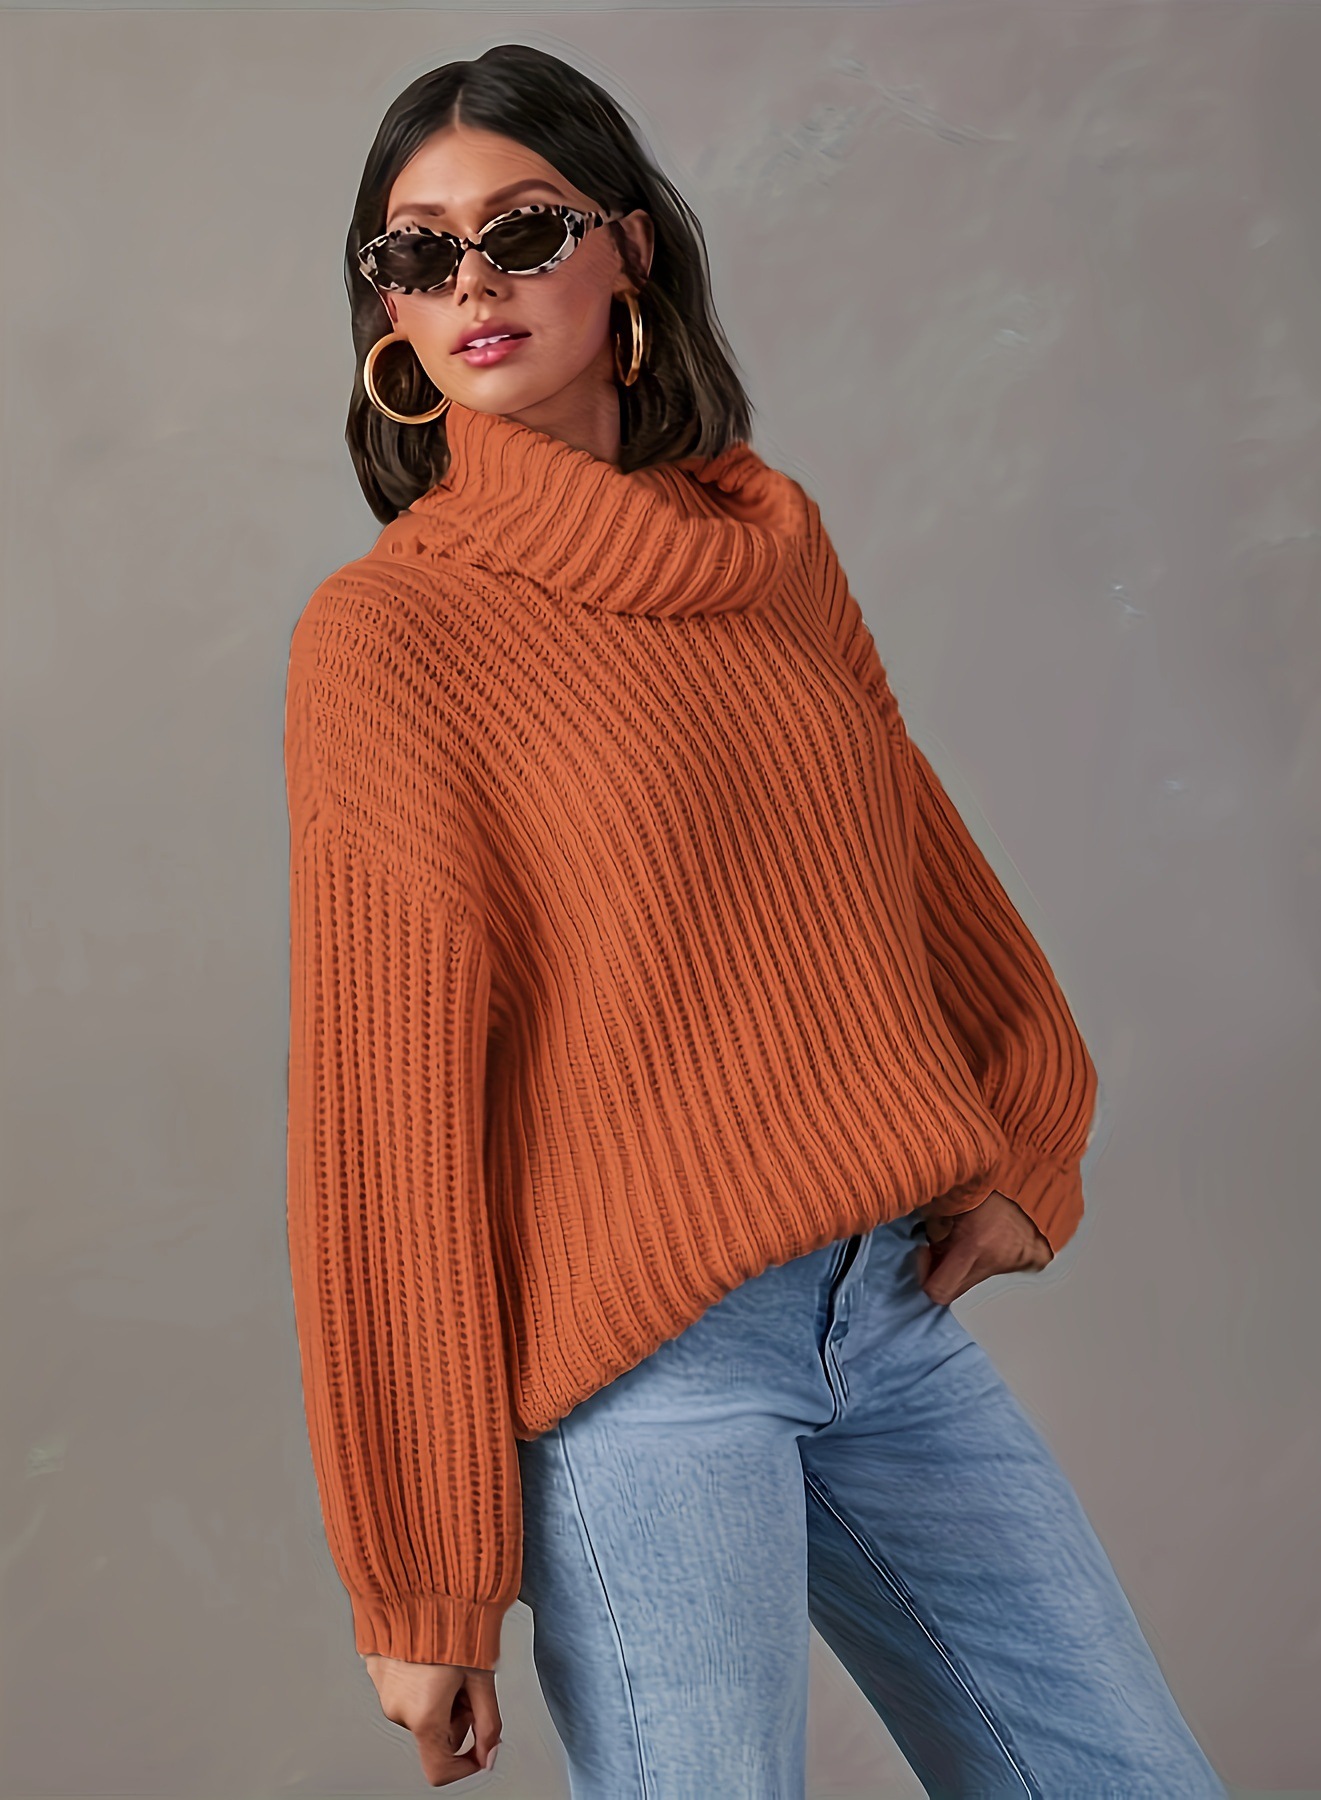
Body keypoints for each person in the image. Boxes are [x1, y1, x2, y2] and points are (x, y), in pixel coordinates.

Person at [282, 42, 1227, 1799]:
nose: (472, 281)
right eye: (417, 252)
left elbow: (908, 865)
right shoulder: (390, 638)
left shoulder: (772, 552)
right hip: (642, 1370)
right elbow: (380, 1121)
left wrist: (1027, 1124)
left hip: (881, 1311)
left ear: (628, 250)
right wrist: (419, 1574)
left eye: (523, 228)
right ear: (386, 311)